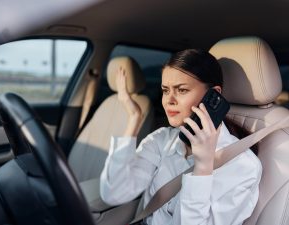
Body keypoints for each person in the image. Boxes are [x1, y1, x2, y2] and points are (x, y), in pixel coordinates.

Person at [100, 49, 262, 225]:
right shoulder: (162, 140)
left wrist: (203, 167)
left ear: (213, 94)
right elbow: (113, 193)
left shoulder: (244, 166)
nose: (169, 100)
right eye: (165, 90)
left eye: (182, 90)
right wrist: (133, 118)